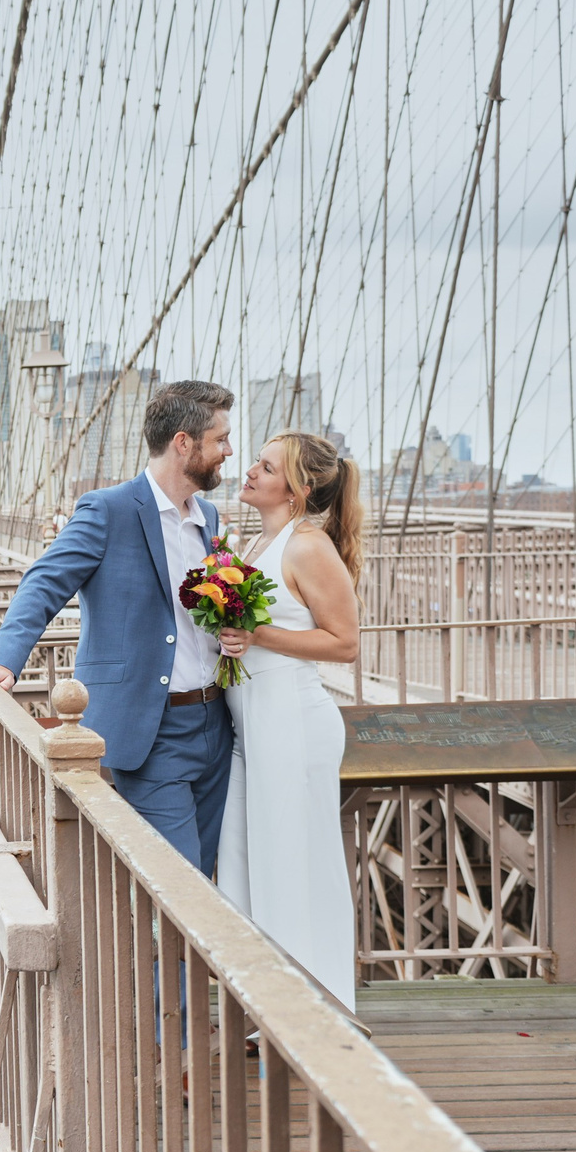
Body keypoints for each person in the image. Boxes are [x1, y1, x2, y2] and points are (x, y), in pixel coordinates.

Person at [0, 380, 237, 872]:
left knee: (207, 876)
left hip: (216, 725)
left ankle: (166, 955)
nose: (229, 450)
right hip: (151, 730)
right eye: (220, 439)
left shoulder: (209, 517)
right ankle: (168, 955)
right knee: (183, 885)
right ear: (183, 443)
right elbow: (44, 582)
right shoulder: (108, 510)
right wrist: (3, 660)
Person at [216, 432, 362, 1009]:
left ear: (298, 489)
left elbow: (345, 643)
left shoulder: (307, 546)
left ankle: (321, 1007)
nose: (249, 470)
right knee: (251, 867)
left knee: (298, 869)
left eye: (266, 466)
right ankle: (270, 1006)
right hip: (253, 727)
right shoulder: (258, 543)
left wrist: (256, 635)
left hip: (294, 726)